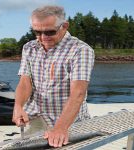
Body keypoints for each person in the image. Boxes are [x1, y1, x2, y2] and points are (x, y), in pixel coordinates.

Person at [12, 5, 94, 148]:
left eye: (49, 32)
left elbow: (78, 93)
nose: (43, 38)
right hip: (36, 117)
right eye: (37, 32)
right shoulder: (29, 47)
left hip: (68, 122)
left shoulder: (81, 50)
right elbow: (25, 82)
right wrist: (18, 106)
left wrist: (60, 128)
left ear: (64, 26)